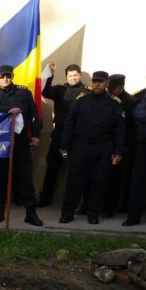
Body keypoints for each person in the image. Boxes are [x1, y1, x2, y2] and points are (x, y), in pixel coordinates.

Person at [58, 70, 125, 224]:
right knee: (74, 180)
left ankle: (93, 213)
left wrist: (118, 151)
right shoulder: (81, 100)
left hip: (103, 147)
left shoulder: (114, 103)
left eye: (101, 81)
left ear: (107, 83)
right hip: (81, 146)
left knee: (99, 181)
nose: (97, 84)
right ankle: (67, 213)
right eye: (95, 81)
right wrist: (64, 145)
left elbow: (120, 130)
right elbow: (69, 123)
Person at [0, 65, 44, 226]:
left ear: (12, 76)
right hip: (0, 142)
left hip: (21, 141)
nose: (5, 79)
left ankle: (31, 213)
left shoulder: (23, 92)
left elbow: (33, 114)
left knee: (25, 178)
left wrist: (36, 134)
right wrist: (8, 109)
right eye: (2, 76)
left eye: (8, 76)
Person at [39, 62, 87, 207]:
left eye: (75, 75)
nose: (72, 78)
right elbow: (45, 92)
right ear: (66, 76)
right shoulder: (60, 89)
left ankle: (76, 202)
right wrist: (50, 75)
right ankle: (45, 198)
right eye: (70, 75)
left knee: (78, 169)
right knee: (53, 166)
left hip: (78, 135)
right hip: (60, 132)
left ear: (80, 75)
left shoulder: (87, 92)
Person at [103, 74, 137, 217]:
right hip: (106, 144)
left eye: (112, 89)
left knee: (116, 179)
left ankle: (112, 207)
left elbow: (131, 128)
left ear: (121, 87)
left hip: (122, 146)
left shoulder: (131, 102)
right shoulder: (106, 98)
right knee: (102, 177)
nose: (109, 92)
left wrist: (122, 149)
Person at [123, 67, 146, 226]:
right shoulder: (141, 96)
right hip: (143, 146)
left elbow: (144, 115)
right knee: (138, 183)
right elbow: (138, 114)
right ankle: (133, 218)